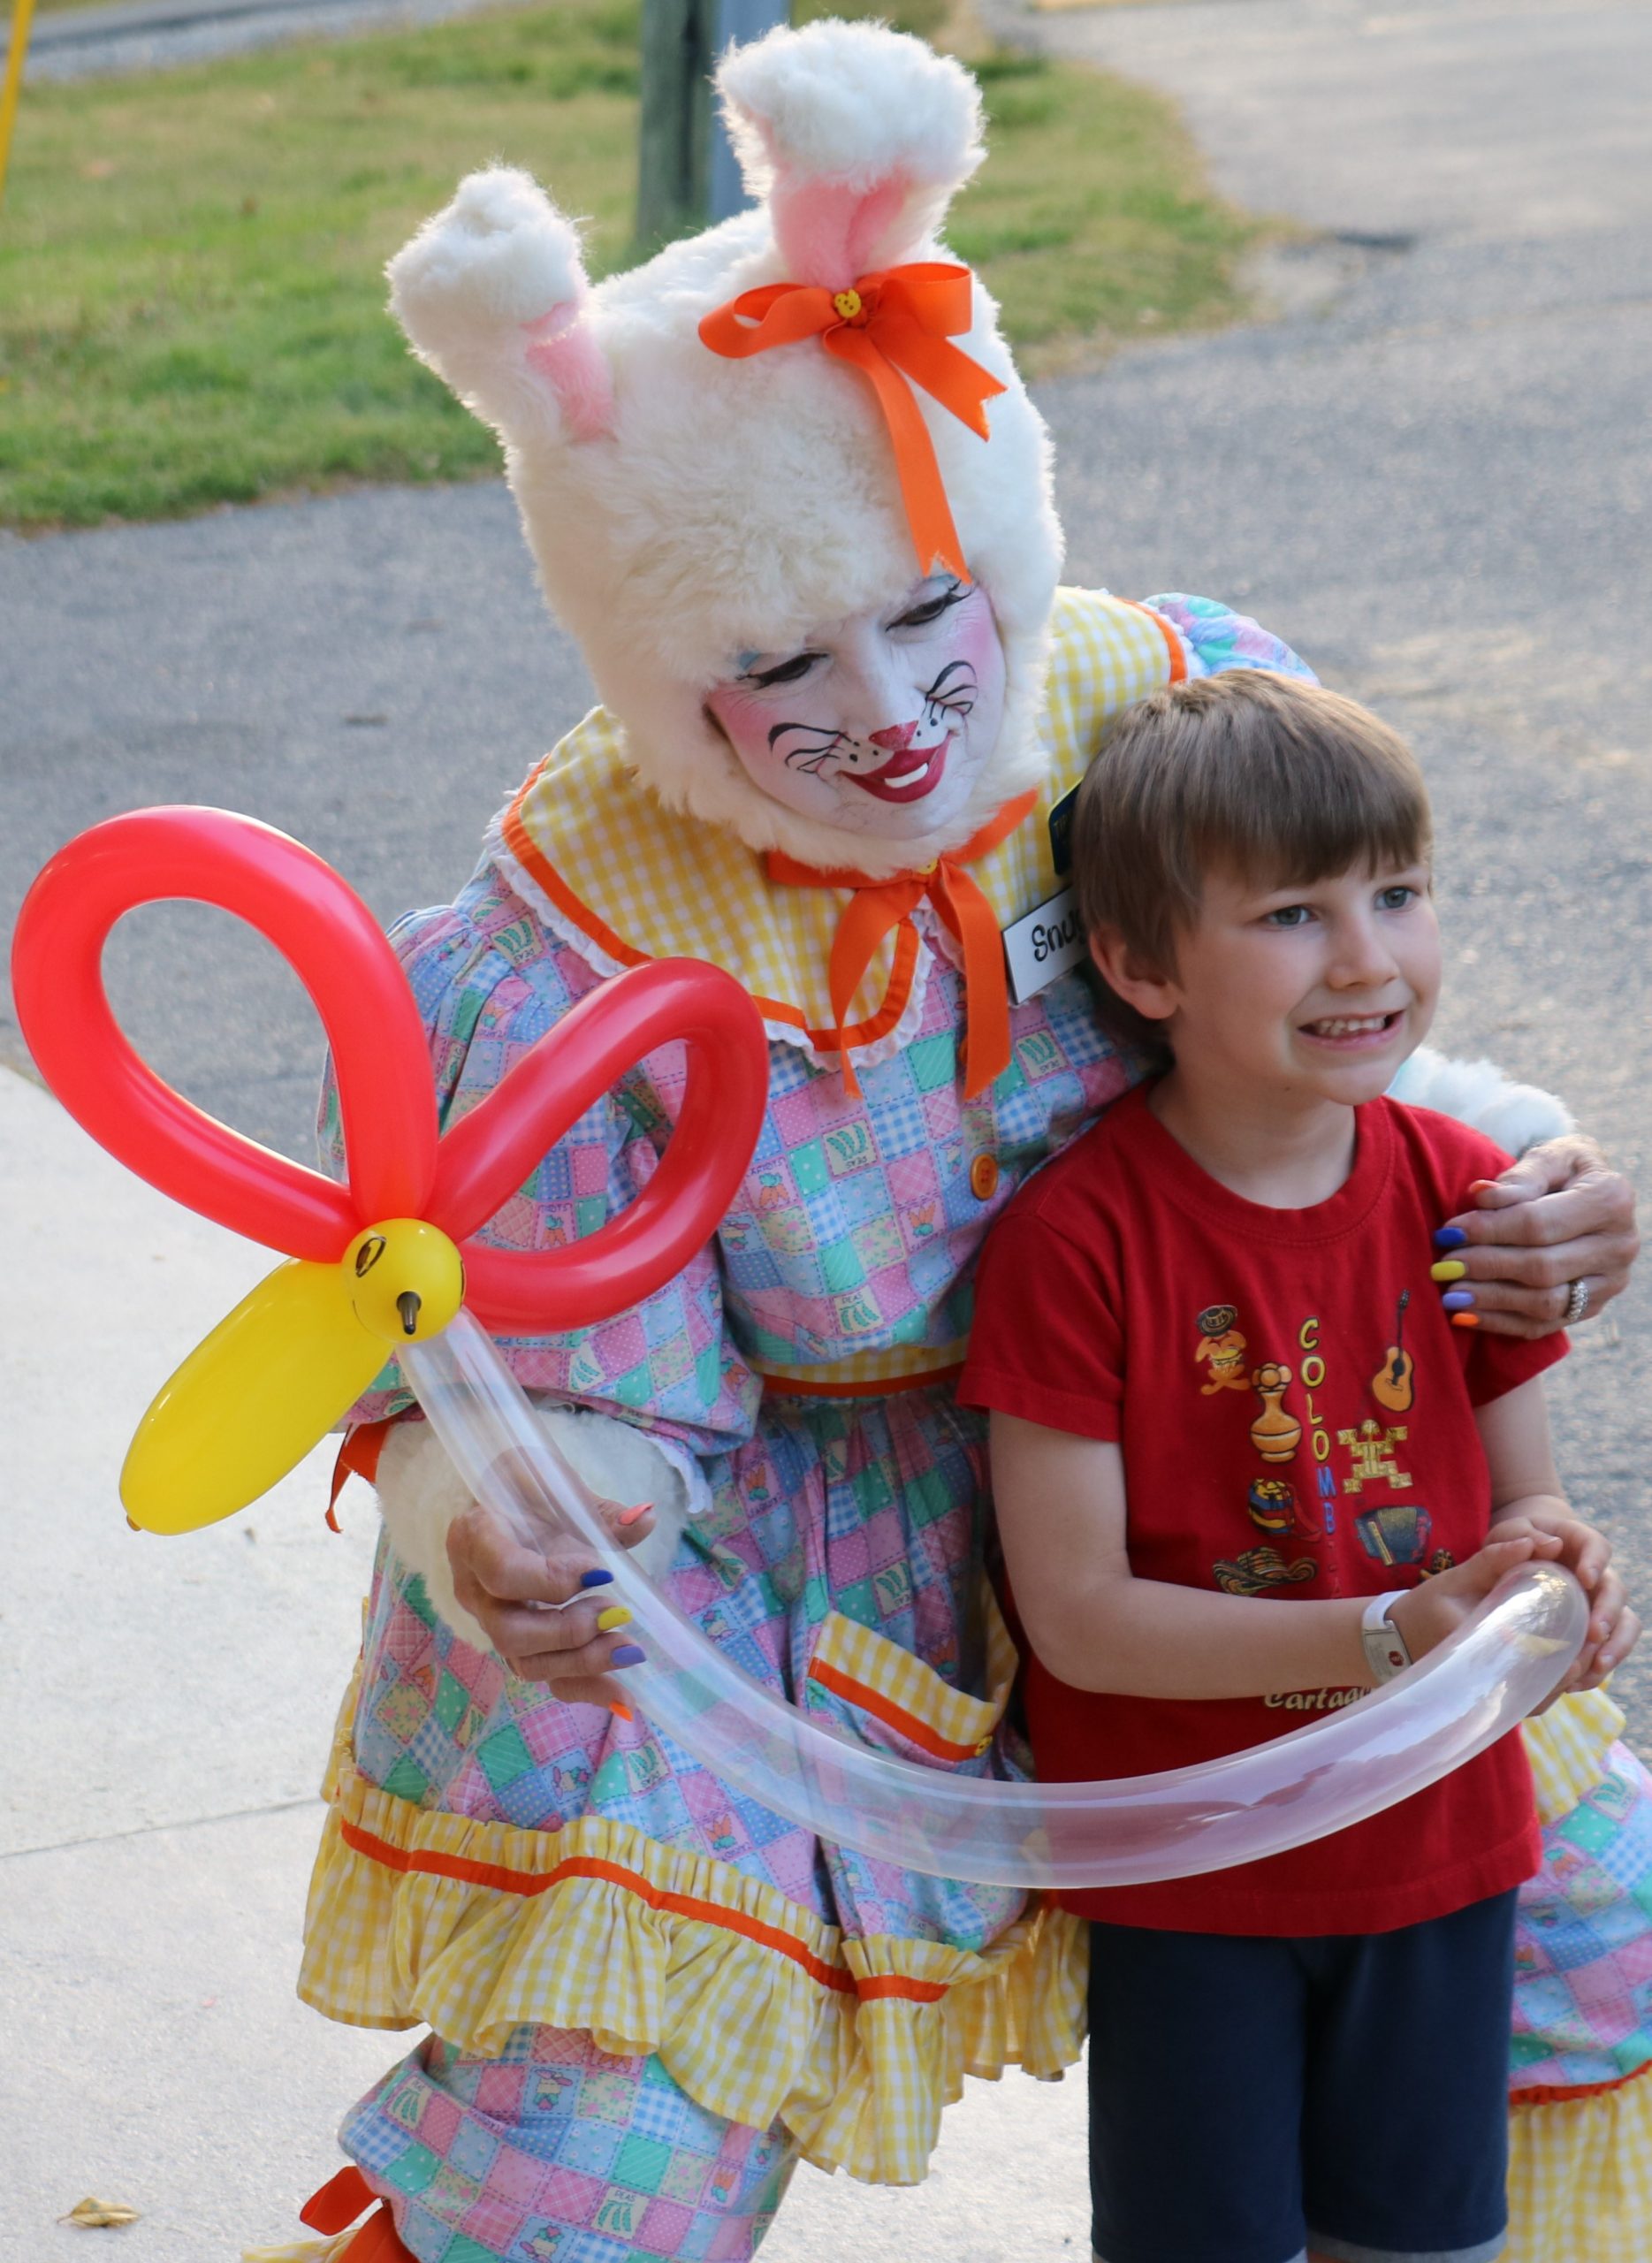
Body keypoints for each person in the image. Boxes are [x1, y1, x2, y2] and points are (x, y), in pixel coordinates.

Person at [250, 23, 1639, 2263]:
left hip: (1229, 1465)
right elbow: (550, 1377)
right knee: (612, 2135)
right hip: (786, 1579)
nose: (894, 717)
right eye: (778, 661)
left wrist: (1518, 1169)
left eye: (927, 609)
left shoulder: (1139, 703)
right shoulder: (571, 942)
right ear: (647, 639)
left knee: (1582, 1922)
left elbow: (1329, 1025)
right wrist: (491, 1514)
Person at [960, 669, 1643, 2263]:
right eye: (1288, 913)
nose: (1365, 958)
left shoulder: (1464, 1195)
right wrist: (1396, 1634)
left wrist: (1553, 1588)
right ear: (1136, 967)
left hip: (1440, 1847)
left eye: (1396, 893)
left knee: (1422, 2244)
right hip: (1198, 1871)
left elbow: (1520, 1499)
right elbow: (1080, 1617)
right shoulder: (1073, 1241)